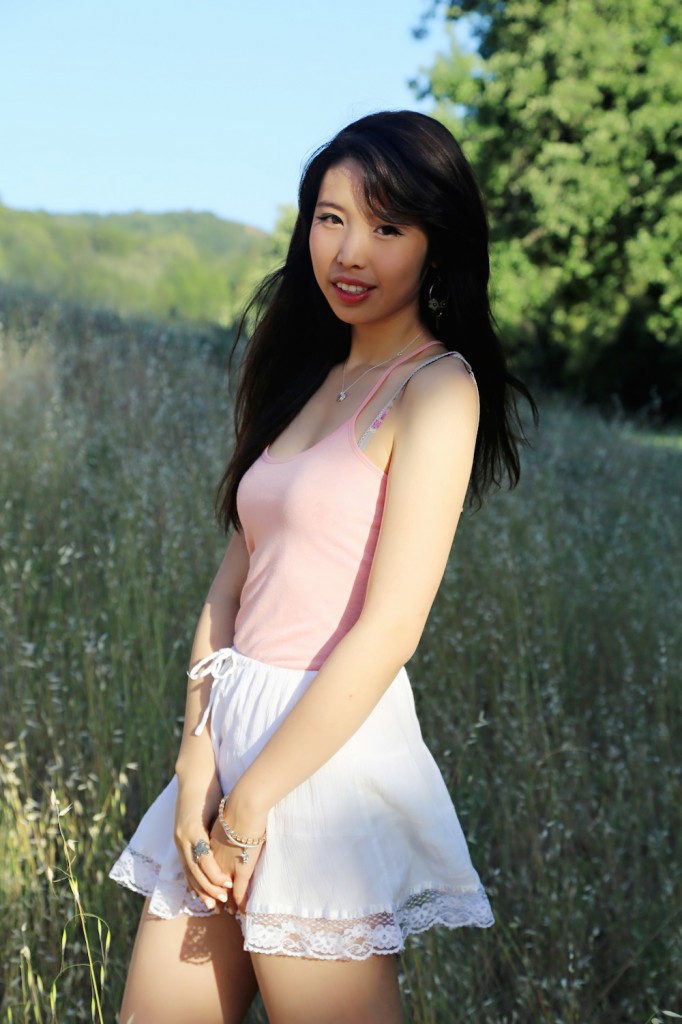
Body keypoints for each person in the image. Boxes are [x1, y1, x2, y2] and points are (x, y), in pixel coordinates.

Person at [110, 110, 535, 1023]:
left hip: (321, 760)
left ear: (436, 244)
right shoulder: (307, 376)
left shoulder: (437, 387)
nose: (349, 251)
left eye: (387, 227)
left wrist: (251, 803)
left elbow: (391, 628)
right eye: (332, 218)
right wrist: (197, 764)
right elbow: (230, 588)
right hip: (229, 743)